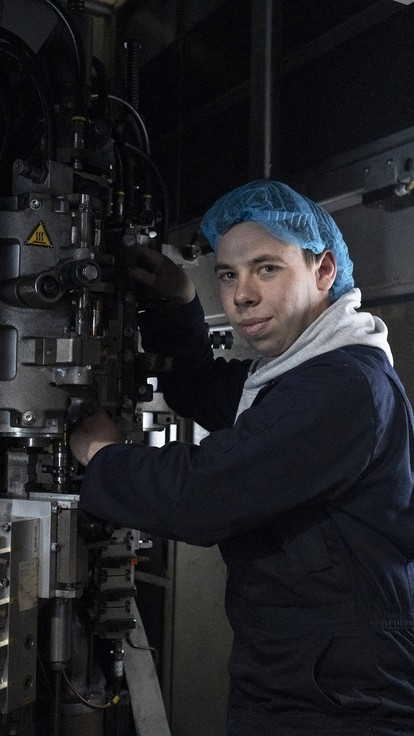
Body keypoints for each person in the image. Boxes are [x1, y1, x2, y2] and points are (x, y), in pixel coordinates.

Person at [70, 180, 414, 736]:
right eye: (228, 274)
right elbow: (202, 386)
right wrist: (181, 301)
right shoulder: (293, 375)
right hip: (301, 669)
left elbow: (205, 493)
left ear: (324, 271)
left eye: (267, 268)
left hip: (344, 696)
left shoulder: (344, 386)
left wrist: (102, 455)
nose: (241, 295)